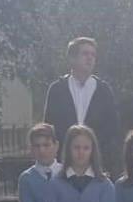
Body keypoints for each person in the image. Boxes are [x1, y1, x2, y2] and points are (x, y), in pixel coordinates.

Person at [42, 37, 121, 168]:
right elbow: (49, 127)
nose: (90, 58)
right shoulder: (57, 89)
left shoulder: (104, 90)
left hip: (97, 164)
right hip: (63, 164)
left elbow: (113, 129)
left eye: (93, 55)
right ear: (72, 59)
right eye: (85, 54)